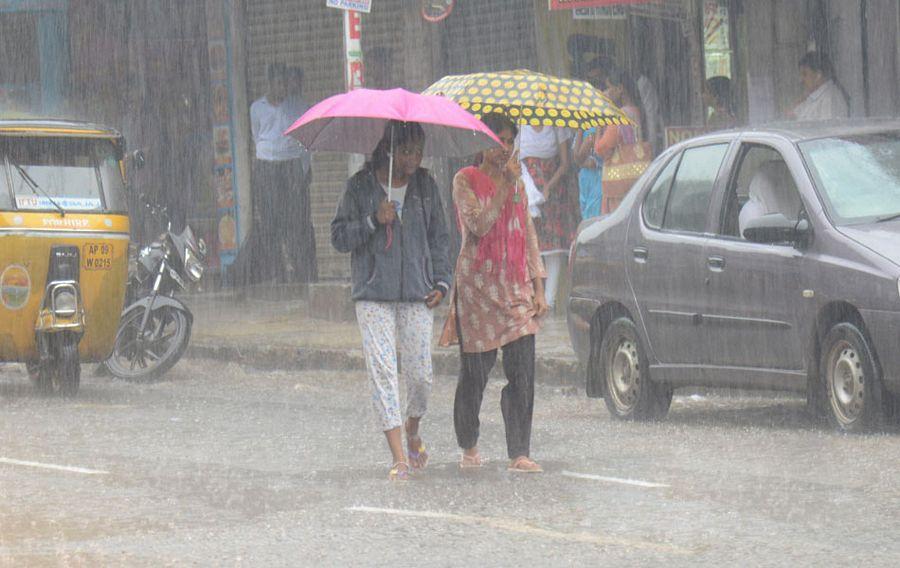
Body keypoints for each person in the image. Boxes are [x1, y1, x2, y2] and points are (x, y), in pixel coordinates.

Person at [331, 121, 452, 481]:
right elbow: (339, 236)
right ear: (389, 149)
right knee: (383, 371)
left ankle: (413, 427)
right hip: (373, 295)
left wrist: (442, 281)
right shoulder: (359, 186)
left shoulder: (426, 186)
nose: (413, 159)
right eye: (406, 151)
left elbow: (439, 237)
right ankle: (399, 457)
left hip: (417, 291)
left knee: (421, 376)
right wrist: (372, 220)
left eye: (418, 152)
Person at [440, 113, 549, 474]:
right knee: (475, 375)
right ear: (483, 142)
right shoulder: (465, 180)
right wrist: (504, 185)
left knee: (523, 372)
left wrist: (538, 287)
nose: (505, 147)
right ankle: (468, 443)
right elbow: (479, 224)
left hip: (516, 288)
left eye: (510, 140)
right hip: (478, 292)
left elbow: (528, 234)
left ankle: (519, 451)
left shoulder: (519, 184)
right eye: (499, 140)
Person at [238, 62, 316, 285]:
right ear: (271, 83)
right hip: (267, 169)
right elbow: (257, 136)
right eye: (279, 83)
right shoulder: (257, 108)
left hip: (291, 167)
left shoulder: (298, 106)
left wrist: (303, 169)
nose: (283, 88)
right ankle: (275, 272)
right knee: (270, 221)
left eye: (285, 83)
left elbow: (307, 138)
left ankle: (300, 273)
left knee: (296, 222)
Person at [518, 121, 576, 313]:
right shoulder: (519, 125)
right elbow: (513, 160)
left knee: (554, 247)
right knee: (528, 244)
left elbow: (565, 163)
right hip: (527, 190)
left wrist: (548, 186)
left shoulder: (557, 125)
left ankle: (549, 301)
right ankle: (531, 296)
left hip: (553, 191)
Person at [593, 67, 644, 213]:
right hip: (634, 178)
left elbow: (600, 149)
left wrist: (599, 125)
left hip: (619, 186)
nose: (606, 93)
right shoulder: (636, 111)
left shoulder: (620, 117)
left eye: (609, 88)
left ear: (620, 89)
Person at [573, 58, 608, 219]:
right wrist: (582, 125)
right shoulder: (585, 122)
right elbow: (576, 158)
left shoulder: (604, 121)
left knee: (594, 220)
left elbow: (588, 159)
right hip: (585, 180)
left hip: (598, 180)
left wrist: (583, 154)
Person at [790, 52, 849, 121]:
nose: (801, 80)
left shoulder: (830, 99)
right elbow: (791, 116)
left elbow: (828, 126)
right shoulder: (813, 97)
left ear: (818, 75)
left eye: (805, 74)